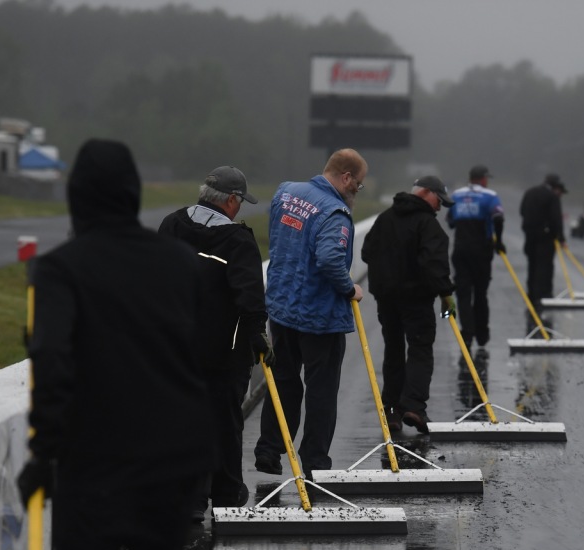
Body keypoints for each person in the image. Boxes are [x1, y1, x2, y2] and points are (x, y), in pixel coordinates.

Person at [16, 138, 214, 550]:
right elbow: (207, 361)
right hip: (176, 458)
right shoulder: (182, 264)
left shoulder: (60, 269)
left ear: (77, 198)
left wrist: (44, 451)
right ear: (134, 194)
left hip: (95, 461)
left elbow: (52, 361)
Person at [158, 166, 270, 519]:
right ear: (232, 201)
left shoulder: (172, 225)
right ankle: (225, 493)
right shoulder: (238, 240)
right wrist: (258, 337)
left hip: (175, 346)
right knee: (224, 422)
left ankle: (187, 498)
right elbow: (250, 297)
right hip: (224, 351)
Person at [253, 149, 367, 475]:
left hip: (282, 309)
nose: (356, 192)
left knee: (284, 382)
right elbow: (330, 259)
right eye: (357, 185)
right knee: (321, 392)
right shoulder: (335, 212)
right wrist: (350, 289)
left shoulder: (286, 192)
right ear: (346, 178)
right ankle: (315, 462)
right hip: (320, 318)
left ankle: (269, 451)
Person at [361, 175, 457, 434]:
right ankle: (414, 406)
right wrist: (447, 295)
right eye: (439, 200)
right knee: (420, 349)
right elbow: (433, 265)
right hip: (417, 301)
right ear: (426, 192)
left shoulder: (385, 219)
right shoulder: (428, 225)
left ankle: (392, 411)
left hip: (386, 300)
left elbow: (366, 253)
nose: (439, 208)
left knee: (393, 351)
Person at [446, 165, 505, 348]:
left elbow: (450, 221)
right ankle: (482, 334)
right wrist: (499, 240)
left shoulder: (456, 195)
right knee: (480, 293)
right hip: (481, 251)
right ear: (484, 178)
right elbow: (498, 217)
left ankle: (467, 333)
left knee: (463, 294)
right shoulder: (490, 195)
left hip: (461, 249)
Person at [519, 173, 568, 327]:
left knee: (532, 267)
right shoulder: (552, 197)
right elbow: (556, 219)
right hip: (545, 238)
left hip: (529, 237)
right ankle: (542, 299)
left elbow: (522, 211)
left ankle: (531, 296)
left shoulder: (530, 192)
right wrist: (560, 237)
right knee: (544, 268)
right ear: (555, 186)